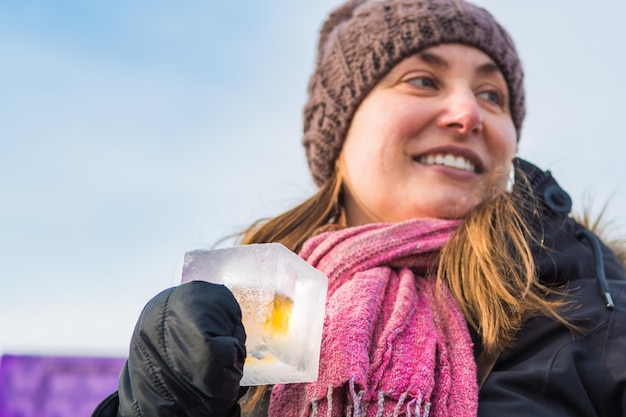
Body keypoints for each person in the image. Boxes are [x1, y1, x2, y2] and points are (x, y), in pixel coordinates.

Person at [92, 0, 626, 416]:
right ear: (340, 137)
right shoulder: (243, 314)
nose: (468, 113)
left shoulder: (587, 302)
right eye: (423, 80)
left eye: (492, 95)